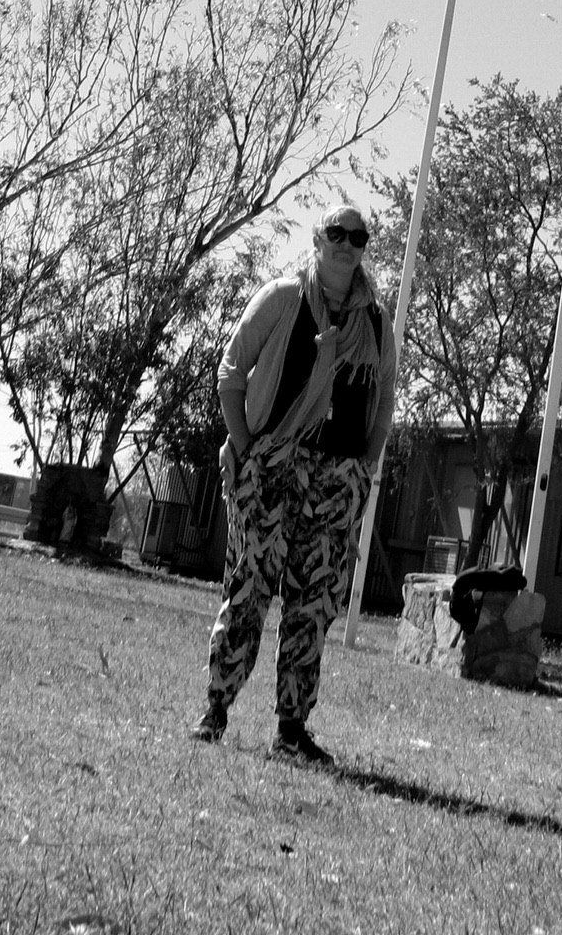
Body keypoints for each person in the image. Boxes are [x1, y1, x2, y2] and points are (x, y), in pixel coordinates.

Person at [192, 204, 396, 762]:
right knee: (248, 589)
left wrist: (363, 467)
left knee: (312, 606)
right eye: (337, 233)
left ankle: (291, 731)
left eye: (358, 237)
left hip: (337, 481)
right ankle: (216, 710)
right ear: (317, 238)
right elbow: (231, 371)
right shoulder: (283, 298)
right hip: (273, 465)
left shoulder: (375, 322)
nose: (347, 245)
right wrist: (242, 444)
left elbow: (382, 409)